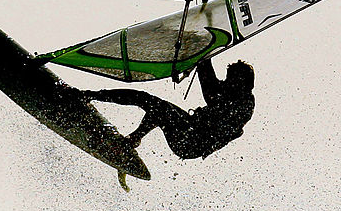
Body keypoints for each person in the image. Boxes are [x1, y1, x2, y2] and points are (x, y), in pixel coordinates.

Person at [85, 58, 255, 160]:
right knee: (151, 102)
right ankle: (91, 95)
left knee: (158, 107)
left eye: (229, 80)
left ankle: (129, 140)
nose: (224, 83)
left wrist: (204, 59)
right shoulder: (235, 92)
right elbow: (212, 84)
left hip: (190, 143)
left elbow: (211, 93)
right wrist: (202, 59)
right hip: (190, 128)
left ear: (240, 82)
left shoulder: (243, 104)